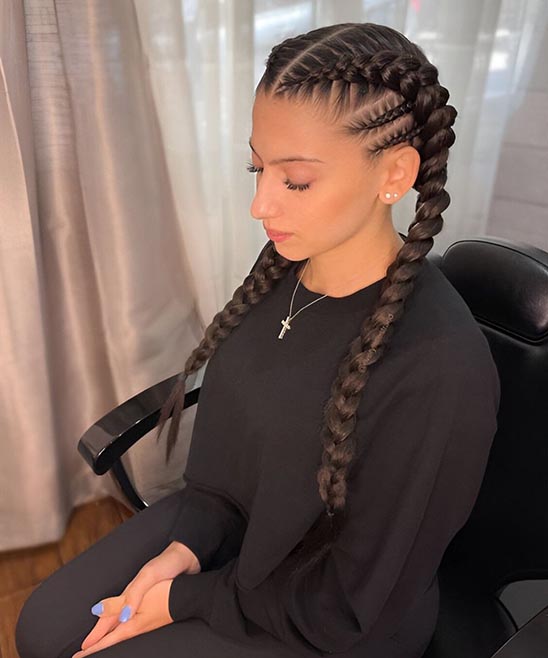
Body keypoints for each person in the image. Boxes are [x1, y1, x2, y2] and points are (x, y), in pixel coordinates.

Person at [15, 22, 500, 658]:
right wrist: (188, 548)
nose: (260, 205)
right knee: (42, 627)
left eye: (294, 180)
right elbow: (232, 459)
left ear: (394, 173)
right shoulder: (282, 275)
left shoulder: (439, 365)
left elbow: (353, 605)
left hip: (335, 619)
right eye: (257, 167)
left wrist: (185, 599)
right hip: (241, 536)